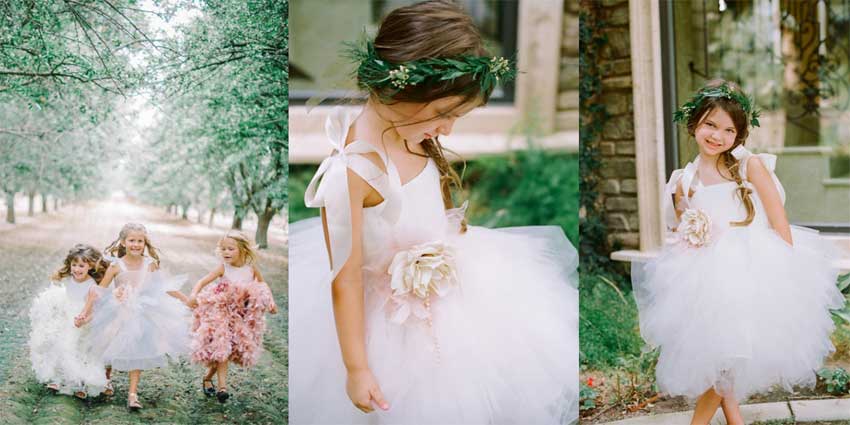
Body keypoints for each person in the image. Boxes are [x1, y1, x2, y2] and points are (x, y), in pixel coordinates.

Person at [289, 1, 579, 423]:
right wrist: (357, 368)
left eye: (457, 117)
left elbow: (429, 200)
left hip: (449, 294)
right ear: (402, 87)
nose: (447, 130)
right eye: (445, 114)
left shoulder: (409, 132)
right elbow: (346, 278)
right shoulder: (351, 173)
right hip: (389, 322)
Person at [632, 79, 845, 425]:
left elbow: (779, 220)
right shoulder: (682, 181)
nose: (717, 136)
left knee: (730, 356)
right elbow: (684, 229)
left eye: (729, 130)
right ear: (694, 123)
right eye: (710, 125)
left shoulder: (750, 167)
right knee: (722, 352)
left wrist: (787, 276)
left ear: (739, 136)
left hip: (751, 269)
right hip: (705, 276)